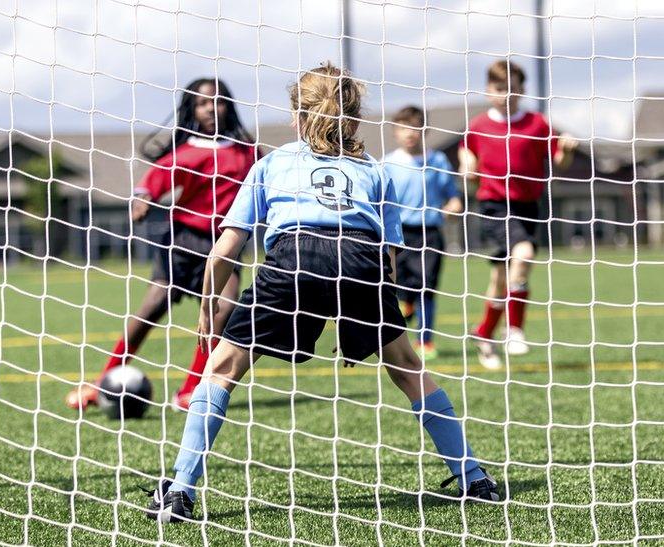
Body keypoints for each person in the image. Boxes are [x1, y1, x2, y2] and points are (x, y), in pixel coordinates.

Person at [145, 63, 499, 523]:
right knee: (409, 369)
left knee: (221, 370)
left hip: (294, 258)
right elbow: (387, 257)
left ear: (297, 116)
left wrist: (209, 306)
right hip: (361, 264)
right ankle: (474, 477)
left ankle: (179, 490)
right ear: (352, 119)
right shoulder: (374, 170)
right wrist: (363, 327)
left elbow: (224, 250)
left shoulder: (271, 162)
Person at [64, 78, 256, 411]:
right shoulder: (183, 153)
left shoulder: (248, 153)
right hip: (182, 241)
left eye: (219, 101)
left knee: (222, 308)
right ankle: (101, 384)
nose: (211, 107)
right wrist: (142, 199)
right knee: (152, 307)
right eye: (202, 102)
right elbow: (153, 181)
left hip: (224, 245)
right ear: (191, 110)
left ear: (229, 107)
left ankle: (191, 392)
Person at [459, 59, 577, 369]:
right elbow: (466, 150)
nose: (507, 95)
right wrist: (467, 165)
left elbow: (559, 162)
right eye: (500, 89)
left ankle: (484, 333)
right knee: (522, 255)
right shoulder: (479, 125)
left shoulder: (538, 123)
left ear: (522, 90)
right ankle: (514, 331)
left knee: (501, 280)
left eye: (513, 88)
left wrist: (567, 151)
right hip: (495, 206)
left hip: (527, 208)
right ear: (488, 91)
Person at [383, 106, 464, 360]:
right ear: (395, 132)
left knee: (426, 287)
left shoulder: (437, 160)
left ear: (424, 130)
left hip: (429, 232)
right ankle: (405, 307)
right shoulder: (387, 164)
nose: (410, 133)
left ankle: (425, 341)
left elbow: (452, 196)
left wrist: (454, 206)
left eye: (415, 127)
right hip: (397, 234)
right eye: (404, 127)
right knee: (396, 285)